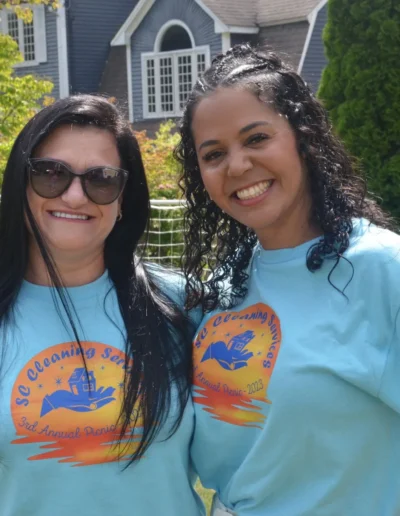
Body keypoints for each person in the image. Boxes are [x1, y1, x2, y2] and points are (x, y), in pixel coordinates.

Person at [176, 44, 400, 515]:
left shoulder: (382, 269)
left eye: (256, 138)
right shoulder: (227, 285)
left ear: (303, 136)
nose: (237, 165)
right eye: (214, 154)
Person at [0, 95, 203, 515]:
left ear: (124, 198)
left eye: (102, 179)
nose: (75, 196)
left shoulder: (183, 305)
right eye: (51, 173)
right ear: (21, 182)